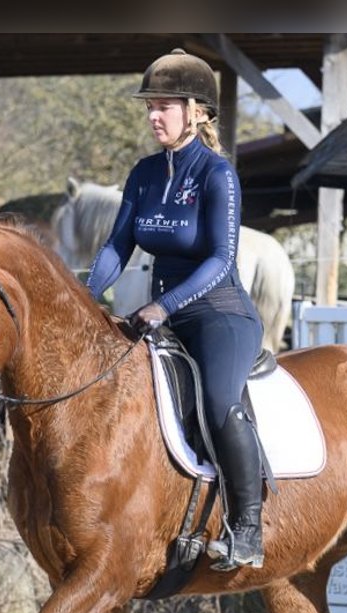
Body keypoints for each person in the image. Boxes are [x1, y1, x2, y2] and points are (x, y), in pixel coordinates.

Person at [85, 48, 266, 570]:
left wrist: (162, 305)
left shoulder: (217, 175)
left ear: (197, 111)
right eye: (149, 107)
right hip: (160, 313)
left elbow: (221, 258)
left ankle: (248, 529)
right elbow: (119, 247)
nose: (153, 116)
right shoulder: (143, 174)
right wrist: (82, 297)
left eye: (164, 106)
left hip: (218, 314)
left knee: (217, 402)